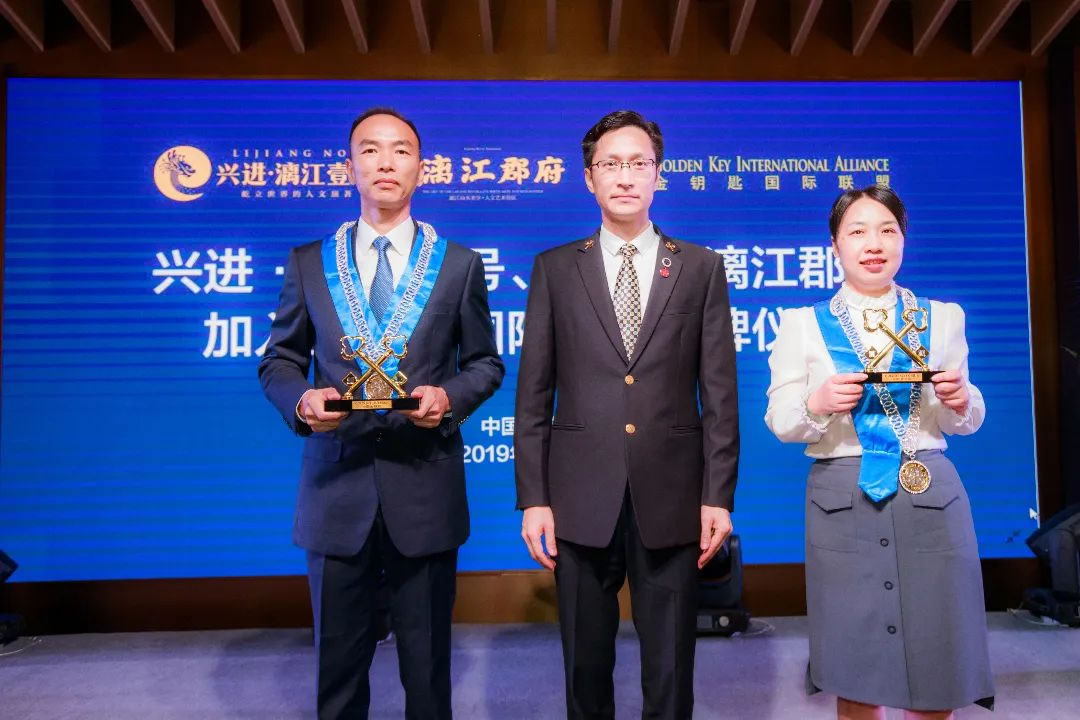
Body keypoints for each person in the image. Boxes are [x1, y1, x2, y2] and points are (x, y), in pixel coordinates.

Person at [258, 107, 504, 720]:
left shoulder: (458, 264)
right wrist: (301, 400)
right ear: (350, 168)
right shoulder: (309, 262)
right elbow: (279, 361)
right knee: (338, 674)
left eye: (400, 150)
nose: (386, 162)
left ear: (421, 168)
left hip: (424, 486)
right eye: (370, 150)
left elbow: (484, 364)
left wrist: (449, 398)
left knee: (428, 673)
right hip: (335, 490)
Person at [514, 109, 740, 719]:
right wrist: (534, 498)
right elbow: (533, 394)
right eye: (610, 164)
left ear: (658, 175)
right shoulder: (556, 268)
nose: (625, 176)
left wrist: (717, 496)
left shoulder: (699, 266)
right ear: (588, 177)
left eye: (639, 163)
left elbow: (720, 394)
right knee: (585, 668)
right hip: (579, 497)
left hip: (672, 495)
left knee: (670, 669)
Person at [765, 185, 994, 720]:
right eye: (858, 232)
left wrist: (961, 400)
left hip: (928, 489)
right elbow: (779, 420)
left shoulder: (942, 317)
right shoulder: (802, 323)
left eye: (888, 230)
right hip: (842, 497)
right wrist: (818, 403)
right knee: (857, 664)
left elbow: (964, 419)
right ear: (834, 246)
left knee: (938, 661)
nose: (874, 243)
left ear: (903, 240)